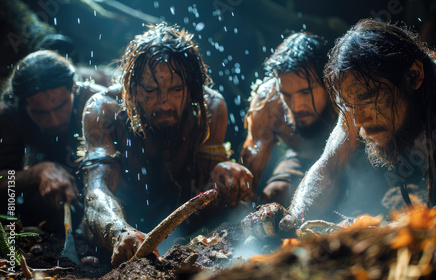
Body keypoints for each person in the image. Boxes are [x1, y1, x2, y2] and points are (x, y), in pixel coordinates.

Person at [277, 19, 436, 229]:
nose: (358, 121)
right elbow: (329, 167)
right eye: (349, 105)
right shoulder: (358, 102)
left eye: (368, 97)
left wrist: (388, 231)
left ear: (413, 76)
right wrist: (293, 220)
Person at [81, 23, 253, 267]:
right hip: (123, 217)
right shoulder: (104, 109)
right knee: (92, 227)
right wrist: (119, 231)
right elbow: (96, 191)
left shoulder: (210, 108)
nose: (164, 102)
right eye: (150, 90)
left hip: (182, 219)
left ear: (191, 88)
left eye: (176, 89)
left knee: (240, 202)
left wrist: (224, 172)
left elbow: (212, 189)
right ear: (132, 88)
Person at [0, 50, 105, 230]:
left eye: (61, 106)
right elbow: (3, 179)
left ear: (73, 87)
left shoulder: (94, 101)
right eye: (40, 112)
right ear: (23, 104)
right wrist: (37, 172)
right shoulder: (9, 115)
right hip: (43, 183)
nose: (54, 120)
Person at [239, 32, 337, 207]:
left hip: (352, 158)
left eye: (305, 92)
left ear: (326, 80)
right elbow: (249, 179)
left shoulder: (340, 92)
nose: (296, 106)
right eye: (286, 94)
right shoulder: (267, 103)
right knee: (274, 194)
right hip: (301, 157)